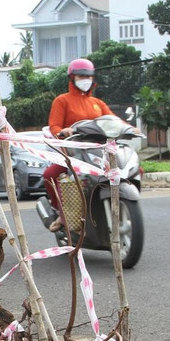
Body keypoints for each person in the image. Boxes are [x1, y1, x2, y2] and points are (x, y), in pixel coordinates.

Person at [44, 58, 114, 231]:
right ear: (72, 78)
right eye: (81, 76)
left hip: (98, 154)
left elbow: (112, 121)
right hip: (73, 154)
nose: (85, 80)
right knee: (49, 175)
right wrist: (63, 131)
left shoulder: (98, 104)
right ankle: (60, 212)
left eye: (88, 76)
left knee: (134, 169)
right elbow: (54, 126)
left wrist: (130, 128)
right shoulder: (62, 100)